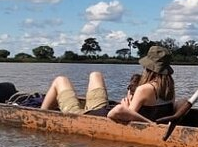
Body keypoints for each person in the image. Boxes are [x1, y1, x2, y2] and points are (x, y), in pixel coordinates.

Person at [40, 45, 175, 123]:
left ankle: (39, 115)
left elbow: (126, 116)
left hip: (91, 117)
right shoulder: (169, 87)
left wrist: (126, 106)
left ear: (148, 67)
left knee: (60, 80)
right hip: (100, 110)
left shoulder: (144, 89)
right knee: (95, 75)